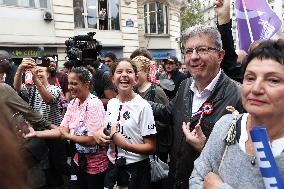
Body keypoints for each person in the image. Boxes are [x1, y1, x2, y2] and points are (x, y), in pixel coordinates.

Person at [150, 24, 244, 189]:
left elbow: (245, 161)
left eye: (202, 49)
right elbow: (167, 112)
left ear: (220, 55)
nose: (193, 57)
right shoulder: (185, 86)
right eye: (188, 51)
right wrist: (134, 99)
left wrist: (205, 147)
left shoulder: (239, 97)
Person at [189, 39, 284, 189]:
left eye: (273, 80)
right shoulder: (226, 125)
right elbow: (197, 178)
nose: (256, 89)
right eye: (250, 78)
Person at [25, 66, 108, 189]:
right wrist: (36, 134)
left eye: (74, 83)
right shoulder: (73, 103)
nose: (70, 87)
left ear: (87, 84)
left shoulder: (94, 104)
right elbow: (61, 131)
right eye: (69, 83)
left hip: (96, 165)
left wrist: (69, 136)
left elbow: (91, 140)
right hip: (78, 159)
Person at [99, 58, 157, 189]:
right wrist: (101, 134)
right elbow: (108, 128)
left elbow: (151, 147)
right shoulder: (112, 103)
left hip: (136, 169)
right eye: (119, 71)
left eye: (129, 71)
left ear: (135, 79)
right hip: (113, 168)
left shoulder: (143, 106)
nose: (124, 75)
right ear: (112, 78)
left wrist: (125, 145)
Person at [13, 58, 69, 188]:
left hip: (54, 132)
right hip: (37, 133)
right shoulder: (31, 89)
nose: (37, 73)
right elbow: (16, 89)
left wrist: (35, 79)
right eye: (35, 71)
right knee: (44, 164)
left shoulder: (55, 89)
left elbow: (48, 99)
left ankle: (68, 183)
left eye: (40, 71)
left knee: (59, 163)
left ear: (48, 74)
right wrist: (20, 69)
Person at [132, 55, 169, 189]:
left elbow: (165, 119)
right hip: (140, 146)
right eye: (132, 71)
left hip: (157, 147)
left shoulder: (156, 91)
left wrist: (144, 131)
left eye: (137, 71)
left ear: (147, 71)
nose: (134, 75)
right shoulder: (133, 91)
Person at [215, 0, 242, 82]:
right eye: (251, 78)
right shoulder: (185, 86)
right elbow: (229, 65)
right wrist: (223, 18)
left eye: (274, 80)